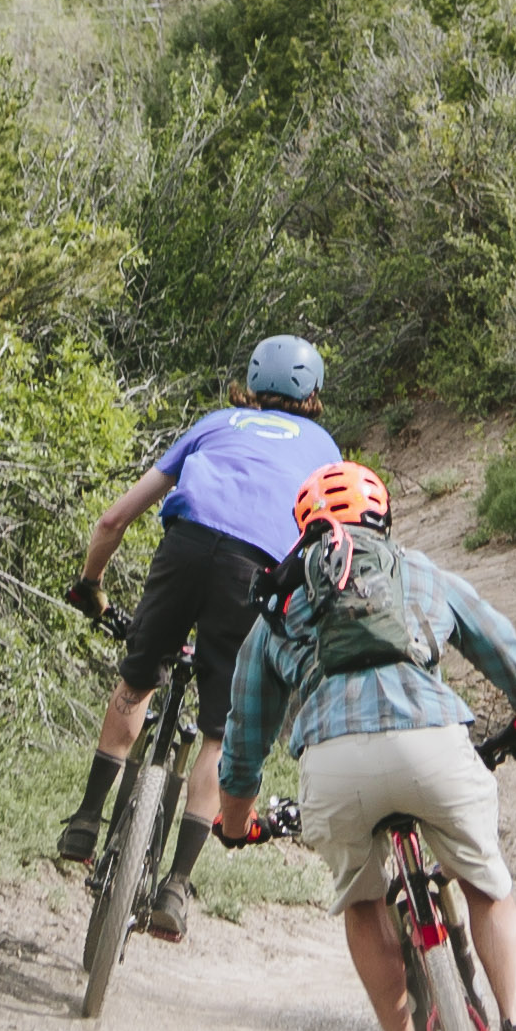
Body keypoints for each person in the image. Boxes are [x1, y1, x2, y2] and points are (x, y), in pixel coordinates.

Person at [219, 459, 516, 1031]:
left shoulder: (281, 602)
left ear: (304, 532)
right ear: (383, 518)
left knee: (363, 901)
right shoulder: (419, 572)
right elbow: (502, 648)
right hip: (431, 744)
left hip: (335, 767)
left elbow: (244, 736)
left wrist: (236, 820)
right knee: (486, 885)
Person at [68, 332, 333, 937]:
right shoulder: (324, 448)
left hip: (184, 551)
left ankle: (85, 818)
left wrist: (91, 583)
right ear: (313, 393)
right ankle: (177, 888)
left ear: (251, 378)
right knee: (219, 732)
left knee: (137, 682)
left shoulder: (218, 423)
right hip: (253, 572)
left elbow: (113, 518)